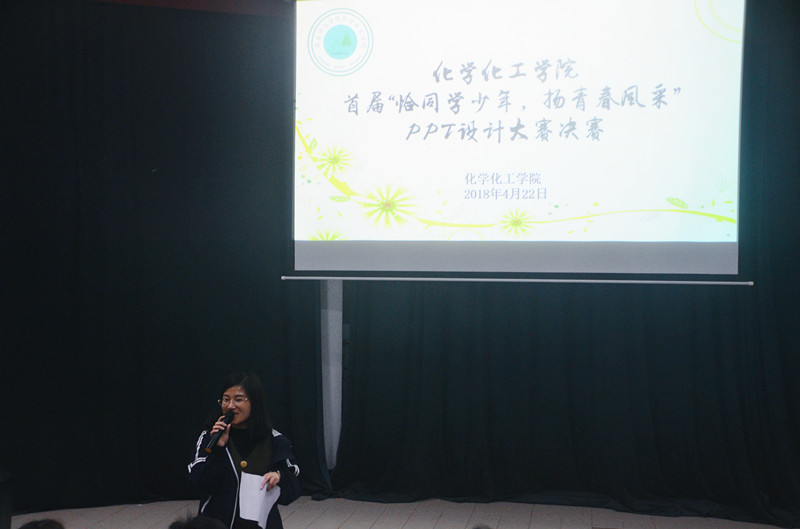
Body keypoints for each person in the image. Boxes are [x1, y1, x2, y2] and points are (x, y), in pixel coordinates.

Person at [188, 372, 301, 529]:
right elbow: (199, 483)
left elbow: (292, 489)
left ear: (254, 402)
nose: (230, 406)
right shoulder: (210, 437)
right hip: (218, 523)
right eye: (226, 400)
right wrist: (218, 450)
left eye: (238, 399)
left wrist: (278, 477)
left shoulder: (275, 440)